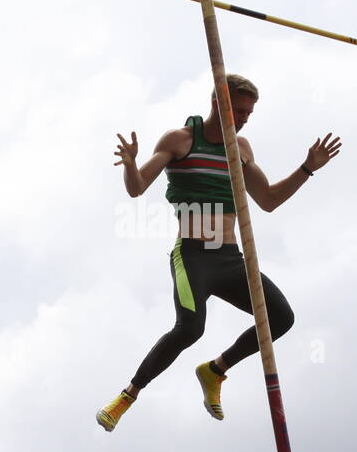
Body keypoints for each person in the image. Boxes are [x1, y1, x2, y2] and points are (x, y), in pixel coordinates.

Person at [97, 73, 341, 431]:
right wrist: (131, 164)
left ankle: (215, 371)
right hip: (193, 255)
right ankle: (127, 396)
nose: (243, 118)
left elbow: (269, 200)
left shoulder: (240, 149)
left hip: (229, 258)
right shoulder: (179, 140)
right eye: (239, 110)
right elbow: (136, 188)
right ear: (218, 103)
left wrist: (307, 169)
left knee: (281, 317)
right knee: (190, 328)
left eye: (248, 114)